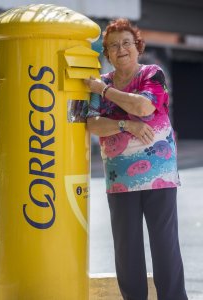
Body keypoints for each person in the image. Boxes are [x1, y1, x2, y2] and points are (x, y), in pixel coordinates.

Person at [84, 18, 188, 300]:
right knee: (126, 248)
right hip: (119, 178)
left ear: (138, 46)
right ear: (106, 53)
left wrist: (104, 92)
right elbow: (92, 125)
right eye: (114, 46)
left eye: (127, 43)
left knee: (164, 245)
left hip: (158, 173)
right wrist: (125, 125)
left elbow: (143, 106)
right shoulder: (99, 83)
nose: (121, 49)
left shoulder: (152, 74)